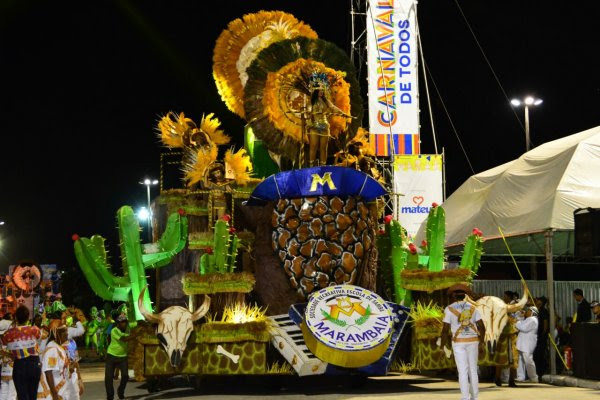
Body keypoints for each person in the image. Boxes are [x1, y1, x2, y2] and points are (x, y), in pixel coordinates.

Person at [440, 284, 486, 400]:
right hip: (473, 340)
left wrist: (442, 346)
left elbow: (445, 330)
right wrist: (482, 343)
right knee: (473, 370)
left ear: (454, 296)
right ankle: (475, 397)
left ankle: (465, 397)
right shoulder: (473, 308)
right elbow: (482, 327)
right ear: (465, 296)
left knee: (462, 371)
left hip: (458, 342)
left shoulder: (449, 309)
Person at [1, 305, 42, 400]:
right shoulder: (35, 330)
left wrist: (8, 354)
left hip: (19, 366)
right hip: (34, 364)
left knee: (22, 396)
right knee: (33, 395)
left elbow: (2, 343)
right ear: (28, 317)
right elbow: (41, 338)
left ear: (15, 318)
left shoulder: (8, 333)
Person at [37, 320, 74, 400]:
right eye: (64, 331)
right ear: (56, 333)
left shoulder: (58, 347)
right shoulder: (52, 349)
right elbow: (48, 372)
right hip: (53, 393)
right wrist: (54, 395)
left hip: (61, 391)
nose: (67, 333)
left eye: (66, 331)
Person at [105, 314, 134, 400]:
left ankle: (120, 391)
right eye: (122, 322)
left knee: (125, 376)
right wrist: (136, 335)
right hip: (111, 356)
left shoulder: (128, 330)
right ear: (118, 323)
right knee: (109, 377)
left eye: (125, 322)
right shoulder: (114, 330)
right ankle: (110, 396)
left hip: (123, 357)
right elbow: (124, 339)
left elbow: (136, 325)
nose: (123, 324)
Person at [495, 291, 518, 387]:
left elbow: (516, 320)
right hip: (503, 336)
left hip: (512, 336)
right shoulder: (501, 307)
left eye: (505, 296)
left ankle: (511, 380)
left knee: (513, 359)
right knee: (500, 359)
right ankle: (497, 379)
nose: (503, 297)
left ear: (509, 298)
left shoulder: (514, 308)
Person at [516, 306, 539, 383]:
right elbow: (522, 324)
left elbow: (523, 328)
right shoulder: (528, 319)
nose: (526, 311)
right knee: (520, 360)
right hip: (523, 343)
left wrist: (517, 321)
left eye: (528, 310)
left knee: (528, 360)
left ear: (533, 312)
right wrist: (520, 317)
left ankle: (533, 377)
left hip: (528, 343)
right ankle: (520, 377)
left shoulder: (533, 320)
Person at [533, 296, 549, 376]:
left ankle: (541, 372)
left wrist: (543, 333)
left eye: (538, 300)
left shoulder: (543, 311)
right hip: (537, 336)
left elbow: (545, 322)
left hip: (541, 337)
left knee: (540, 355)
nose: (537, 301)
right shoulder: (537, 310)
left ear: (542, 302)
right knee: (536, 355)